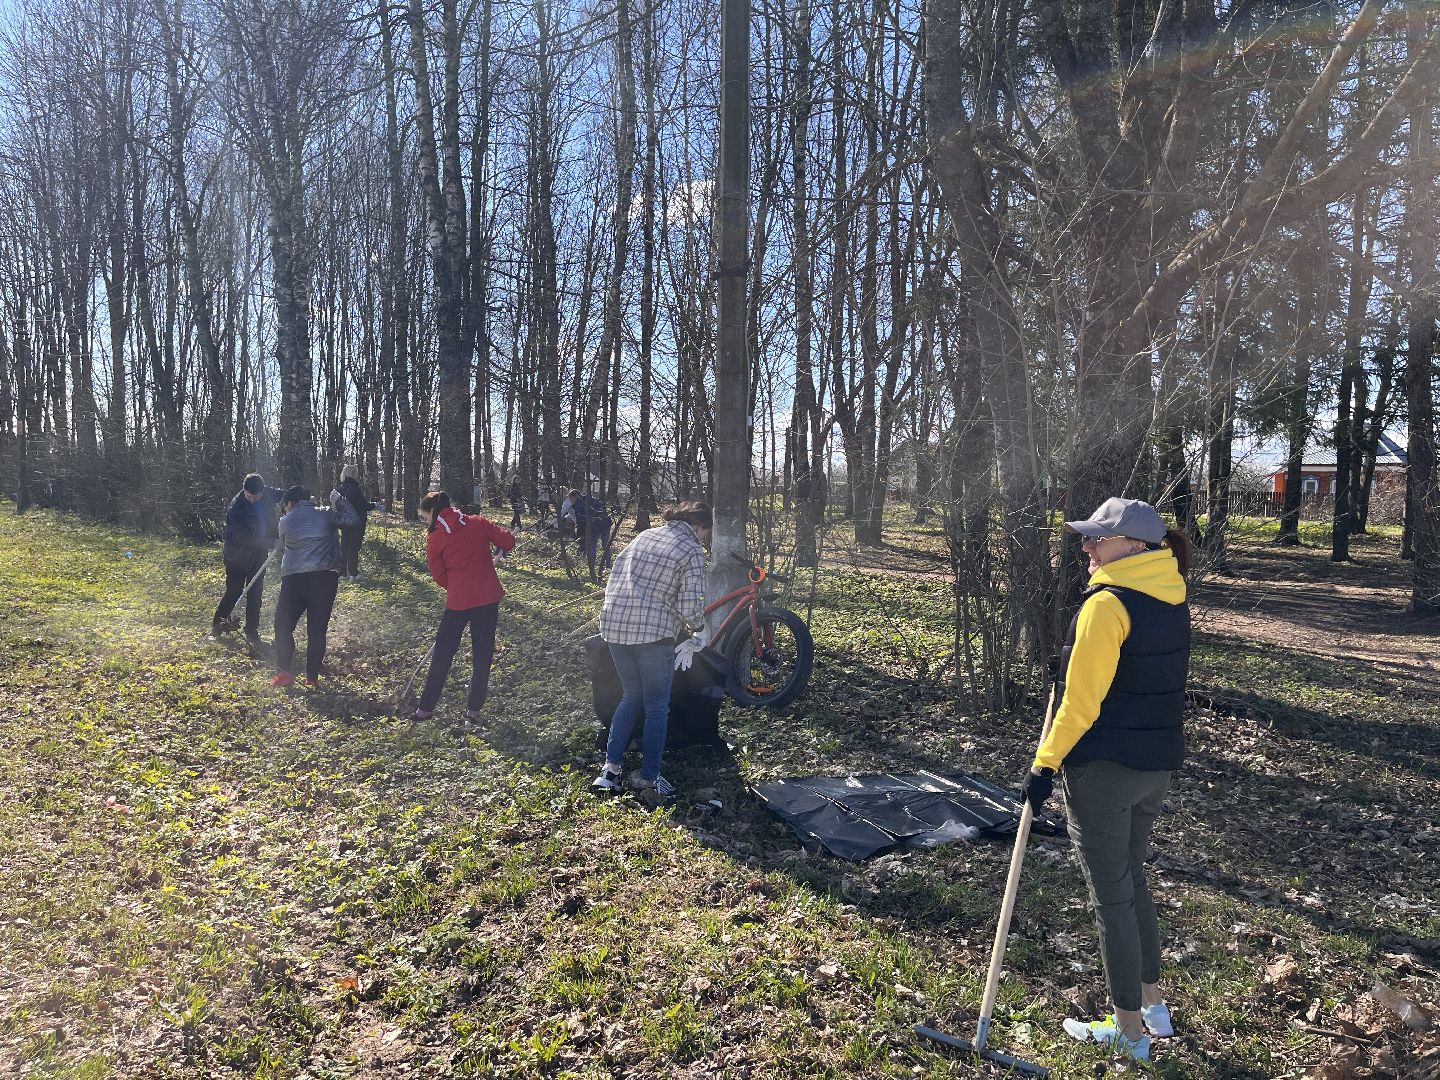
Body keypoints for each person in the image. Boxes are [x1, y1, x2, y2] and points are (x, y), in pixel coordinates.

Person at [1020, 497, 1191, 1063]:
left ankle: (1130, 1030)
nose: (1087, 548)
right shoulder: (1172, 595)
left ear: (1134, 546)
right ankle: (1154, 1004)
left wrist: (1044, 765)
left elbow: (1080, 704)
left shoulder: (1107, 604)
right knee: (1132, 879)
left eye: (1098, 538)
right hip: (1155, 769)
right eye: (1087, 537)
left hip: (1104, 771)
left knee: (1111, 895)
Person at [591, 500, 711, 798]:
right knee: (657, 706)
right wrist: (698, 630)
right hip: (652, 634)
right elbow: (688, 605)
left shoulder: (645, 535)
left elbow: (615, 576)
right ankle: (649, 777)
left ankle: (610, 770)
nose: (705, 538)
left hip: (614, 628)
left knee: (631, 696)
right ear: (699, 526)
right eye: (706, 533)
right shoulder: (692, 549)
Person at [414, 490, 517, 722]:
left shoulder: (435, 539)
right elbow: (508, 541)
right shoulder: (478, 523)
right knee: (482, 655)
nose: (425, 521)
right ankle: (474, 709)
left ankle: (425, 708)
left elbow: (440, 578)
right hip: (488, 599)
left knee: (443, 654)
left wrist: (461, 582)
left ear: (433, 513)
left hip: (459, 602)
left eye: (424, 517)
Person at [270, 485, 358, 688]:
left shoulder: (284, 521)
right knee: (317, 630)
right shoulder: (326, 513)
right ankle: (312, 678)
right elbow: (352, 520)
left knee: (282, 626)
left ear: (289, 504)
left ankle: (283, 674)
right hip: (324, 578)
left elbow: (283, 548)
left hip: (293, 580)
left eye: (285, 506)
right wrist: (339, 500)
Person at [212, 473, 283, 647]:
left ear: (262, 491)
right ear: (244, 490)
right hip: (237, 555)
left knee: (255, 592)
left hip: (259, 555)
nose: (251, 499)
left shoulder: (267, 492)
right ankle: (217, 627)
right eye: (248, 496)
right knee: (234, 591)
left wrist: (302, 499)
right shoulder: (236, 508)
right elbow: (243, 537)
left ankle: (252, 631)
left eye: (255, 497)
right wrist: (268, 542)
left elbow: (285, 494)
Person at [337, 464, 372, 581]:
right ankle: (353, 573)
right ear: (353, 474)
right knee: (354, 547)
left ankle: (343, 573)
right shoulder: (355, 489)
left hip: (344, 521)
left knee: (344, 547)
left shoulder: (340, 488)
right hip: (356, 521)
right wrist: (374, 505)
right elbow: (362, 505)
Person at [573, 487, 613, 582]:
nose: (571, 501)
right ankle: (608, 566)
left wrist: (579, 534)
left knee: (592, 547)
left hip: (595, 527)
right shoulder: (592, 499)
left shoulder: (579, 505)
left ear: (574, 496)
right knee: (606, 545)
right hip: (605, 523)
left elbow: (580, 521)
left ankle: (592, 567)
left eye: (571, 498)